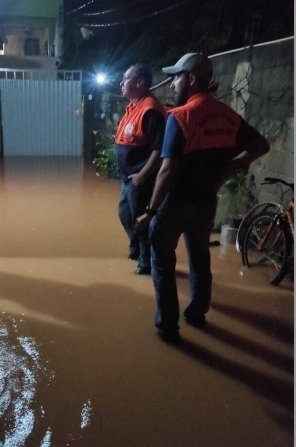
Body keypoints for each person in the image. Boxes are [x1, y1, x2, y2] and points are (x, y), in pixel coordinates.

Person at [134, 52, 271, 342]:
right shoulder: (228, 115)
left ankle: (167, 326)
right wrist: (229, 166)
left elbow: (166, 169)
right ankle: (197, 312)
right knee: (199, 258)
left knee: (161, 259)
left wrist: (149, 211)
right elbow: (261, 145)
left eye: (176, 78)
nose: (172, 85)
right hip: (207, 201)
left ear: (191, 79)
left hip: (177, 202)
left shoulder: (181, 116)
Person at [115, 64, 167, 274]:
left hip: (140, 180)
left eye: (125, 78)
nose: (121, 83)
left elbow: (160, 148)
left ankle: (146, 263)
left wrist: (143, 175)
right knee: (125, 215)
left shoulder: (150, 110)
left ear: (140, 83)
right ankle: (137, 249)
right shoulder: (134, 107)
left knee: (141, 221)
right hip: (128, 178)